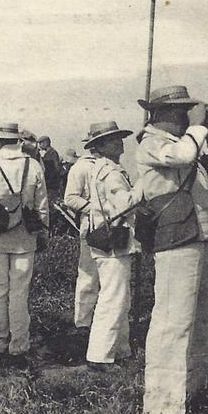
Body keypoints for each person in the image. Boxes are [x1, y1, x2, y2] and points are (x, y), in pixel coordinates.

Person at [134, 85, 208, 414]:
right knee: (172, 321)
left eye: (186, 111)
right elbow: (184, 157)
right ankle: (162, 406)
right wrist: (200, 127)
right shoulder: (151, 143)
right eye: (178, 112)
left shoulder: (187, 141)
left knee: (199, 318)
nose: (184, 117)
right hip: (175, 237)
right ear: (158, 114)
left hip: (201, 234)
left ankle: (193, 392)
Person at [0, 121, 48, 368]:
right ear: (16, 140)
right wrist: (43, 232)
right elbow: (42, 205)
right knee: (19, 293)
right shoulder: (33, 165)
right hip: (25, 236)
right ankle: (19, 346)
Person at [79, 121, 138, 372]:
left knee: (119, 296)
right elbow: (124, 204)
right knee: (113, 297)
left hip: (108, 238)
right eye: (114, 140)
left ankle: (120, 349)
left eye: (119, 138)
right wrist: (143, 188)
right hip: (114, 241)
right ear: (101, 146)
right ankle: (100, 356)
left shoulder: (104, 168)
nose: (120, 143)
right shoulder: (111, 172)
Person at [63, 144, 99, 332]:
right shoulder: (81, 167)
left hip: (115, 228)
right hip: (92, 227)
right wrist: (96, 209)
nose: (121, 147)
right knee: (88, 275)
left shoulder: (114, 166)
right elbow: (70, 198)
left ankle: (102, 323)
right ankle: (83, 323)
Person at [38, 136, 63, 200]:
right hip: (50, 184)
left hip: (52, 185)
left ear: (46, 143)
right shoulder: (48, 153)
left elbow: (56, 168)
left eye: (41, 143)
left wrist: (49, 180)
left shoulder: (53, 153)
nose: (39, 145)